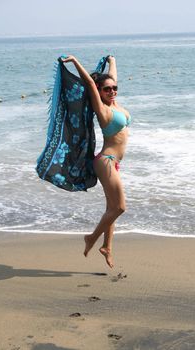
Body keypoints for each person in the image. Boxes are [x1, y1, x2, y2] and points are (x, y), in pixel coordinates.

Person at [61, 55, 131, 268]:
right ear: (100, 92)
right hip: (105, 162)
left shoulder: (116, 104)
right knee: (119, 208)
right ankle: (91, 238)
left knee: (111, 208)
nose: (112, 92)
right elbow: (91, 83)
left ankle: (107, 247)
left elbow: (112, 78)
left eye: (114, 88)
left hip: (114, 163)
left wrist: (113, 61)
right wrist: (74, 61)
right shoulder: (103, 109)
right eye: (107, 89)